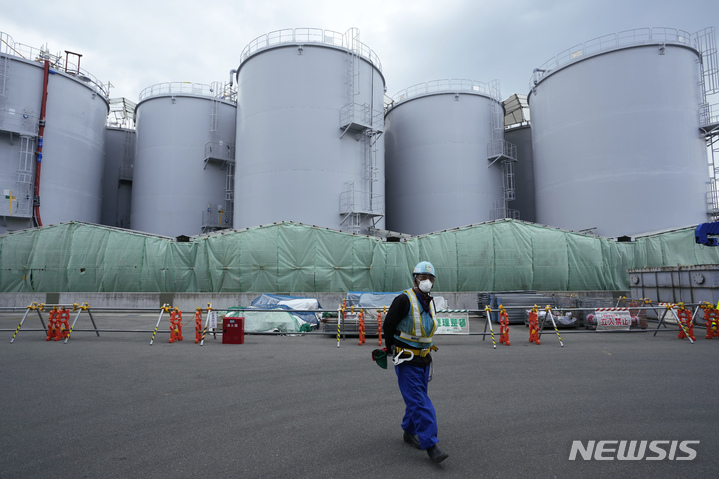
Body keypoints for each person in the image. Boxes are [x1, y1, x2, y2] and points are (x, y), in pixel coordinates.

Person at [382, 261, 448, 463]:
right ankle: (431, 445)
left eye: (430, 278)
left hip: (424, 359)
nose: (426, 281)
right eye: (422, 278)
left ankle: (409, 432)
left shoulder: (429, 301)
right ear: (414, 279)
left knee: (416, 399)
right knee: (421, 403)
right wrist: (391, 347)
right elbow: (389, 325)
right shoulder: (403, 299)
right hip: (407, 360)